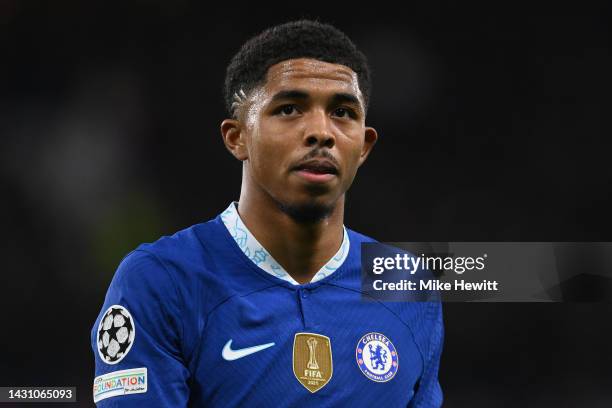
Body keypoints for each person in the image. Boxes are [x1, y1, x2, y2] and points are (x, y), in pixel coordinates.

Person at [91, 19, 443, 407]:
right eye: (290, 108)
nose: (321, 132)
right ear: (237, 137)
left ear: (364, 146)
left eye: (342, 112)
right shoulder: (161, 281)